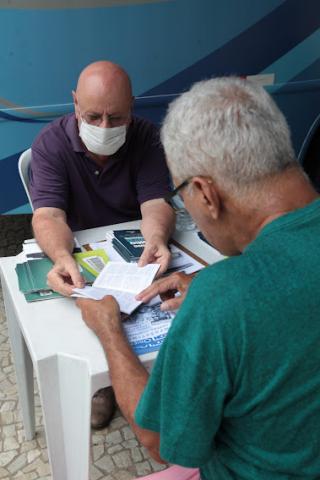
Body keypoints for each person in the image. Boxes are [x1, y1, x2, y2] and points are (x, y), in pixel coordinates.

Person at [77, 77, 320, 479]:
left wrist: (110, 333)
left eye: (179, 192)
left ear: (205, 193)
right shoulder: (224, 292)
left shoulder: (222, 299)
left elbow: (159, 441)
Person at [29, 60, 175, 430]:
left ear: (133, 107)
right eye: (93, 116)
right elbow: (48, 215)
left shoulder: (146, 137)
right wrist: (61, 256)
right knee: (88, 315)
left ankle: (161, 372)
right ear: (75, 103)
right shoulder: (51, 142)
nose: (104, 128)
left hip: (134, 251)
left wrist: (156, 237)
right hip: (80, 250)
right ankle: (105, 383)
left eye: (116, 117)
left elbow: (156, 203)